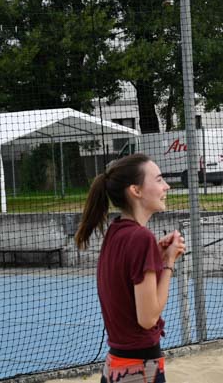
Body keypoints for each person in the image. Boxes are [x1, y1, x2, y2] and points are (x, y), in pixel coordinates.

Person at [75, 154, 186, 383]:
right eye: (158, 180)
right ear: (136, 190)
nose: (166, 186)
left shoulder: (116, 232)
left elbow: (124, 280)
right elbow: (148, 318)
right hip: (138, 369)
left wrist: (155, 256)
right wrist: (168, 262)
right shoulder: (140, 238)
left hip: (115, 367)